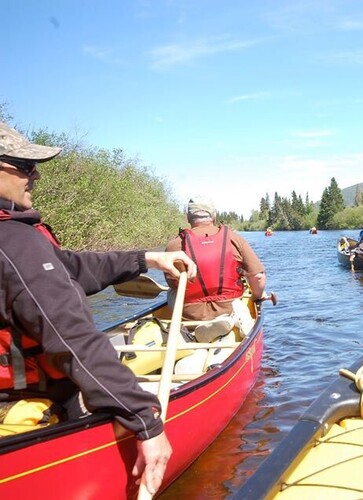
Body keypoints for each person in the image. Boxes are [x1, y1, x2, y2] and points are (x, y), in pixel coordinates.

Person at [0, 121, 197, 494]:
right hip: (29, 402)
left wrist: (147, 259)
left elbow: (72, 267)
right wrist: (145, 419)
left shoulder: (17, 239)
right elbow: (69, 335)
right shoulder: (13, 242)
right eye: (25, 166)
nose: (36, 175)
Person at [164, 197, 266, 335]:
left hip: (191, 315)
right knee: (245, 294)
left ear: (188, 217)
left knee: (171, 291)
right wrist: (255, 298)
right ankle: (233, 321)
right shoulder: (234, 239)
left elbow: (172, 282)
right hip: (228, 309)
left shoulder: (174, 245)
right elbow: (258, 277)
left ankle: (193, 328)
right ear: (214, 216)